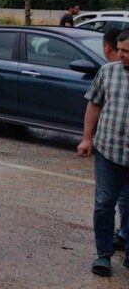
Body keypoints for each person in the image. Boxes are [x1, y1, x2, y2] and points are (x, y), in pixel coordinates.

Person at [77, 29, 129, 277]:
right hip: (109, 150)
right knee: (104, 203)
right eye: (120, 50)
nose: (122, 55)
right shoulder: (108, 72)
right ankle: (103, 255)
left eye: (127, 51)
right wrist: (87, 138)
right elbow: (94, 104)